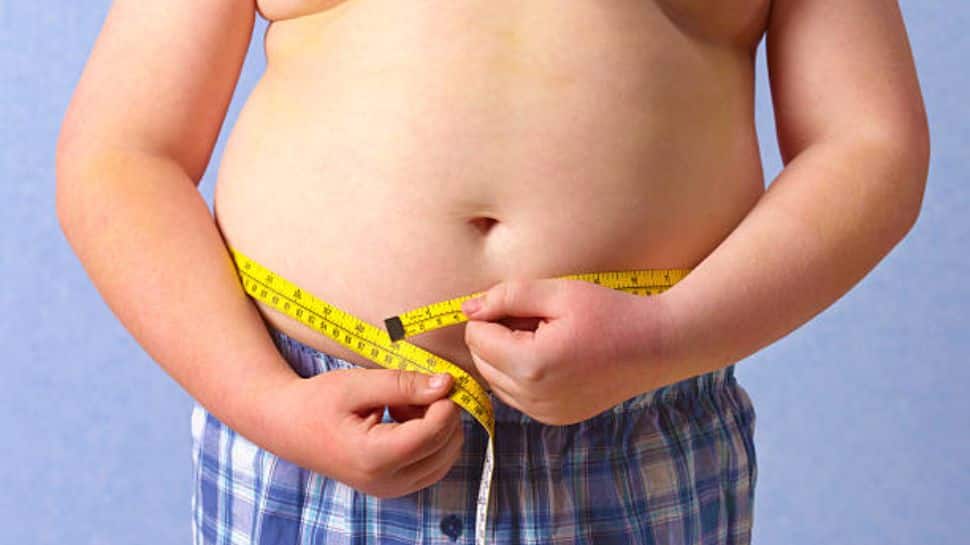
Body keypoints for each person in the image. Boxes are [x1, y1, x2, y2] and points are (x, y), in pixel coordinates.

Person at [55, 1, 929, 544]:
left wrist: (665, 334)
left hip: (638, 429)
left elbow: (871, 143)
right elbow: (122, 154)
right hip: (315, 433)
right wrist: (268, 402)